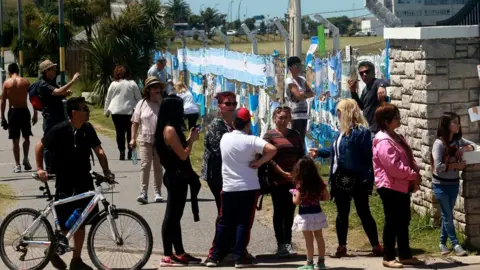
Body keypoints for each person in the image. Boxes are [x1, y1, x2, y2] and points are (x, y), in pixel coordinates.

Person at [35, 97, 113, 270]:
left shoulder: (87, 128)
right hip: (65, 180)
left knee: (82, 219)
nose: (87, 111)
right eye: (83, 108)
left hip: (84, 178)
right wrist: (40, 168)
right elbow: (39, 146)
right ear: (74, 113)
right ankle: (54, 250)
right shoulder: (59, 130)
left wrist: (106, 171)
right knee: (65, 221)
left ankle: (76, 260)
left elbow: (98, 150)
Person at [309, 99, 382, 258]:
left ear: (347, 112)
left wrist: (366, 178)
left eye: (339, 111)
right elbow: (335, 150)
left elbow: (366, 156)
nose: (337, 114)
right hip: (340, 179)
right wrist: (320, 152)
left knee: (364, 212)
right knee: (342, 213)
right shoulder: (341, 131)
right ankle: (342, 245)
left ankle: (376, 245)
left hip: (357, 179)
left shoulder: (361, 132)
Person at [205, 108, 277, 268]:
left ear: (234, 122)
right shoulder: (251, 140)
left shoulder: (225, 138)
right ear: (247, 124)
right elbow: (272, 150)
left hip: (229, 187)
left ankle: (214, 256)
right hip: (248, 187)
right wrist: (259, 162)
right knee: (243, 223)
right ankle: (239, 256)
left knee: (224, 222)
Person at [372, 103, 424, 268]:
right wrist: (412, 175)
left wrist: (414, 173)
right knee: (392, 221)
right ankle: (388, 256)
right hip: (390, 186)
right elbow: (393, 168)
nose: (399, 119)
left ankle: (404, 254)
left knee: (403, 220)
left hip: (401, 185)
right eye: (396, 117)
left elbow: (408, 157)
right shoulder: (383, 141)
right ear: (387, 121)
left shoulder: (396, 137)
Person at [155, 96, 202, 266]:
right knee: (171, 216)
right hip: (175, 176)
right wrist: (192, 142)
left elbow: (180, 151)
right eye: (180, 109)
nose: (182, 113)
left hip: (178, 176)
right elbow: (183, 154)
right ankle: (168, 254)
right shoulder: (169, 130)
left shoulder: (171, 128)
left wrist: (190, 137)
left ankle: (179, 251)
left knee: (176, 216)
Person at [431, 112, 475, 256]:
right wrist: (456, 165)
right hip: (440, 184)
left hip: (453, 183)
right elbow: (438, 166)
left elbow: (473, 145)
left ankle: (442, 243)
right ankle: (456, 244)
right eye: (454, 122)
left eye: (458, 122)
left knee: (447, 214)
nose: (458, 125)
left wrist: (464, 148)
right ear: (446, 125)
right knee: (448, 215)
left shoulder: (457, 141)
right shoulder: (438, 144)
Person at [263, 106, 303, 257]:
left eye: (286, 117)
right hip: (277, 180)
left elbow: (300, 154)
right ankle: (280, 244)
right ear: (274, 118)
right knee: (279, 211)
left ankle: (288, 242)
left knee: (290, 211)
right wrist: (281, 172)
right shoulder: (269, 136)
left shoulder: (295, 135)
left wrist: (296, 173)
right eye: (280, 117)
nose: (283, 120)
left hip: (293, 180)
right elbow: (267, 158)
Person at [37, 59, 80, 173]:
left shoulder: (51, 82)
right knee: (48, 141)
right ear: (46, 71)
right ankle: (49, 168)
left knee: (60, 140)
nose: (55, 70)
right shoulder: (43, 84)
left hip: (59, 115)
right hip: (51, 117)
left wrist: (65, 93)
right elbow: (58, 92)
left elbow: (58, 93)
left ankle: (59, 165)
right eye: (52, 68)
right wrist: (73, 81)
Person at [130, 77, 167, 204]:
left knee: (158, 167)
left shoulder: (163, 103)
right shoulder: (141, 104)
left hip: (159, 140)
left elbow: (168, 119)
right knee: (145, 165)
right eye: (154, 87)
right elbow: (135, 122)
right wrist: (132, 139)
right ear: (149, 90)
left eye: (158, 87)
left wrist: (161, 102)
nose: (157, 89)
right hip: (145, 138)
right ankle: (143, 192)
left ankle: (157, 192)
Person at [291, 156, 329, 270]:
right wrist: (315, 198)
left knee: (309, 240)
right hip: (317, 213)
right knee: (319, 237)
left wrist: (293, 195)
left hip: (305, 216)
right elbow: (326, 197)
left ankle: (309, 263)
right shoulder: (320, 183)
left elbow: (296, 201)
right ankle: (321, 262)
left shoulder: (300, 185)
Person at [1, 63, 37, 173]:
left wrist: (2, 117)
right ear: (18, 70)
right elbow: (33, 98)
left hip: (13, 111)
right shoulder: (25, 82)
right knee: (26, 137)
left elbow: (3, 101)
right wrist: (35, 113)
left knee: (15, 140)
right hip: (24, 111)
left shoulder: (7, 83)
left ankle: (17, 165)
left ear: (9, 72)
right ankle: (25, 158)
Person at [104, 65, 141, 160]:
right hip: (129, 111)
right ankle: (130, 152)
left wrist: (106, 111)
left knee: (119, 132)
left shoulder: (113, 84)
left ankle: (121, 151)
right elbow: (139, 98)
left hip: (116, 111)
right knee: (130, 132)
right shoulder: (132, 83)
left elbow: (108, 98)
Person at [348, 61, 389, 135]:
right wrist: (353, 92)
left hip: (377, 130)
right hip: (369, 128)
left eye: (367, 72)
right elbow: (361, 106)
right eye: (361, 73)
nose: (364, 74)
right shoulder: (365, 89)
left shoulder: (376, 83)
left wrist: (382, 86)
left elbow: (386, 80)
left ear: (373, 72)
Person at [285, 56, 314, 143]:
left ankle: (301, 155)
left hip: (304, 114)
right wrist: (303, 94)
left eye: (299, 65)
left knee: (302, 139)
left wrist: (302, 94)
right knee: (295, 139)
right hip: (294, 116)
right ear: (290, 67)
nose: (299, 68)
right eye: (296, 66)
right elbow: (298, 96)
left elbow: (311, 93)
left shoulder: (302, 79)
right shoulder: (289, 81)